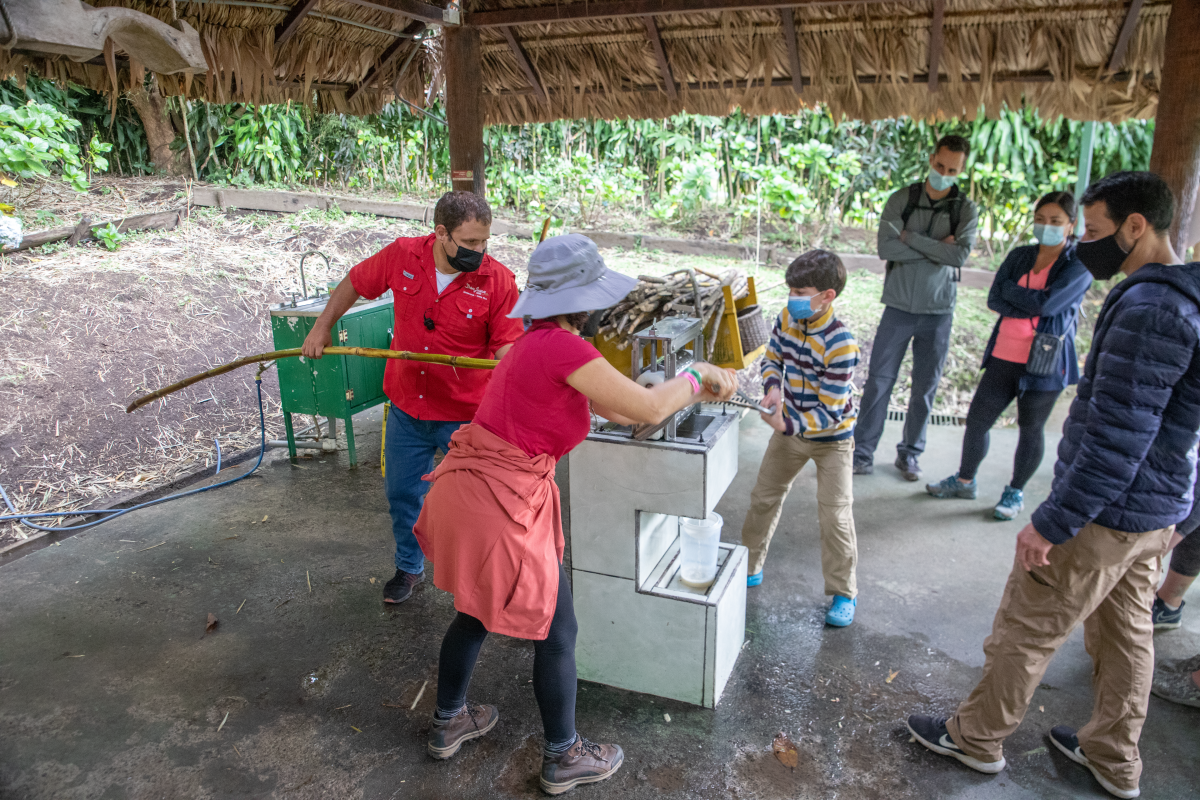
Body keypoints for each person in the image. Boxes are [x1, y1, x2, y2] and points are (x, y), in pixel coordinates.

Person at [906, 171, 1200, 800]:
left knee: (1029, 626)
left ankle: (976, 738)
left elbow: (1119, 436)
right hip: (1154, 513)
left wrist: (1053, 521)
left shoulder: (1150, 310)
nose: (1082, 244)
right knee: (1127, 638)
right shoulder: (1189, 297)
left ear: (1135, 227)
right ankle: (1113, 757)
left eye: (1092, 231)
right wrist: (1187, 511)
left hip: (1107, 513)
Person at [412, 235, 737, 795]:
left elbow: (619, 405)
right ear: (583, 299)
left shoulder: (532, 345)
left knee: (476, 611)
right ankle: (563, 757)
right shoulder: (565, 349)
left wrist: (664, 392)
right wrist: (697, 377)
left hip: (470, 491)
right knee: (557, 628)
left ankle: (449, 721)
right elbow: (649, 409)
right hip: (499, 505)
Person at [300, 191, 523, 604]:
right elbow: (354, 282)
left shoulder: (498, 281)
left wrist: (528, 379)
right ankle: (408, 566)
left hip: (466, 416)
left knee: (482, 503)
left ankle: (489, 575)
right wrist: (322, 327)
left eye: (484, 242)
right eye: (470, 242)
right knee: (402, 494)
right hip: (407, 407)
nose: (480, 251)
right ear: (441, 233)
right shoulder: (403, 256)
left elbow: (509, 347)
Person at [926, 192, 1091, 519]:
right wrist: (1032, 298)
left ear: (1071, 225)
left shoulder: (1078, 265)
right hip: (1003, 355)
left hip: (1045, 363)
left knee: (1030, 429)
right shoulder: (1020, 255)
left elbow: (1049, 305)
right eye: (1041, 219)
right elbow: (994, 298)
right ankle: (964, 480)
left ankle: (1014, 493)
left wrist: (1018, 295)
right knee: (977, 421)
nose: (1047, 227)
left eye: (1056, 221)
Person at [739, 250, 862, 627]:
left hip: (832, 439)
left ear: (827, 295)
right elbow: (772, 358)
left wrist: (786, 426)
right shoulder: (788, 318)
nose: (793, 297)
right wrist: (773, 388)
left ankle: (844, 592)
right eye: (791, 288)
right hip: (790, 424)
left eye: (801, 290)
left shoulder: (842, 344)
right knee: (763, 498)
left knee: (835, 516)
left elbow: (828, 412)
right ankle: (749, 566)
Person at [854, 134, 979, 481]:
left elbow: (960, 255)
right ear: (931, 158)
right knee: (878, 382)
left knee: (925, 386)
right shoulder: (902, 199)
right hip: (897, 307)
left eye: (953, 170)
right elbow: (885, 248)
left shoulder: (964, 209)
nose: (944, 173)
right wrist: (937, 248)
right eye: (940, 166)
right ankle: (861, 453)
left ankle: (910, 454)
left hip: (938, 311)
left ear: (961, 170)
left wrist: (910, 237)